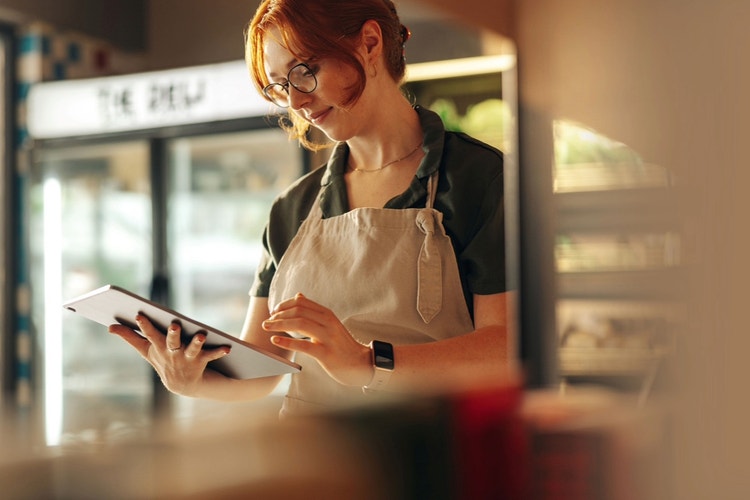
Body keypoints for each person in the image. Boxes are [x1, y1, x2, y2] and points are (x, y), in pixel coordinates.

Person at [110, 0, 515, 417]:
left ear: (370, 44)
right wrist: (193, 379)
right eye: (280, 87)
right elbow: (263, 371)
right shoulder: (293, 208)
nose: (297, 102)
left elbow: (507, 346)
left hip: (429, 461)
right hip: (312, 467)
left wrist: (367, 363)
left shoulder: (476, 178)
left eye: (305, 72)